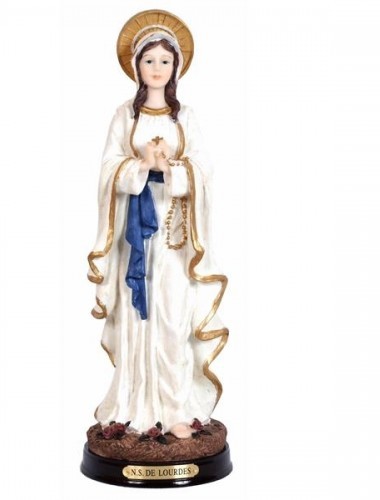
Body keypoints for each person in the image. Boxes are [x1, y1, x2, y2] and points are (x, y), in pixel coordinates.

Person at [87, 10, 229, 440]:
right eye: (149, 60)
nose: (156, 68)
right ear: (137, 66)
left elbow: (205, 170)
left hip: (174, 235)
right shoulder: (124, 117)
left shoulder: (185, 118)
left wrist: (171, 169)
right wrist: (139, 166)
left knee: (171, 317)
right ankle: (134, 408)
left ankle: (176, 406)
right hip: (133, 236)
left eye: (165, 61)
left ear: (175, 67)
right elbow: (107, 169)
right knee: (137, 317)